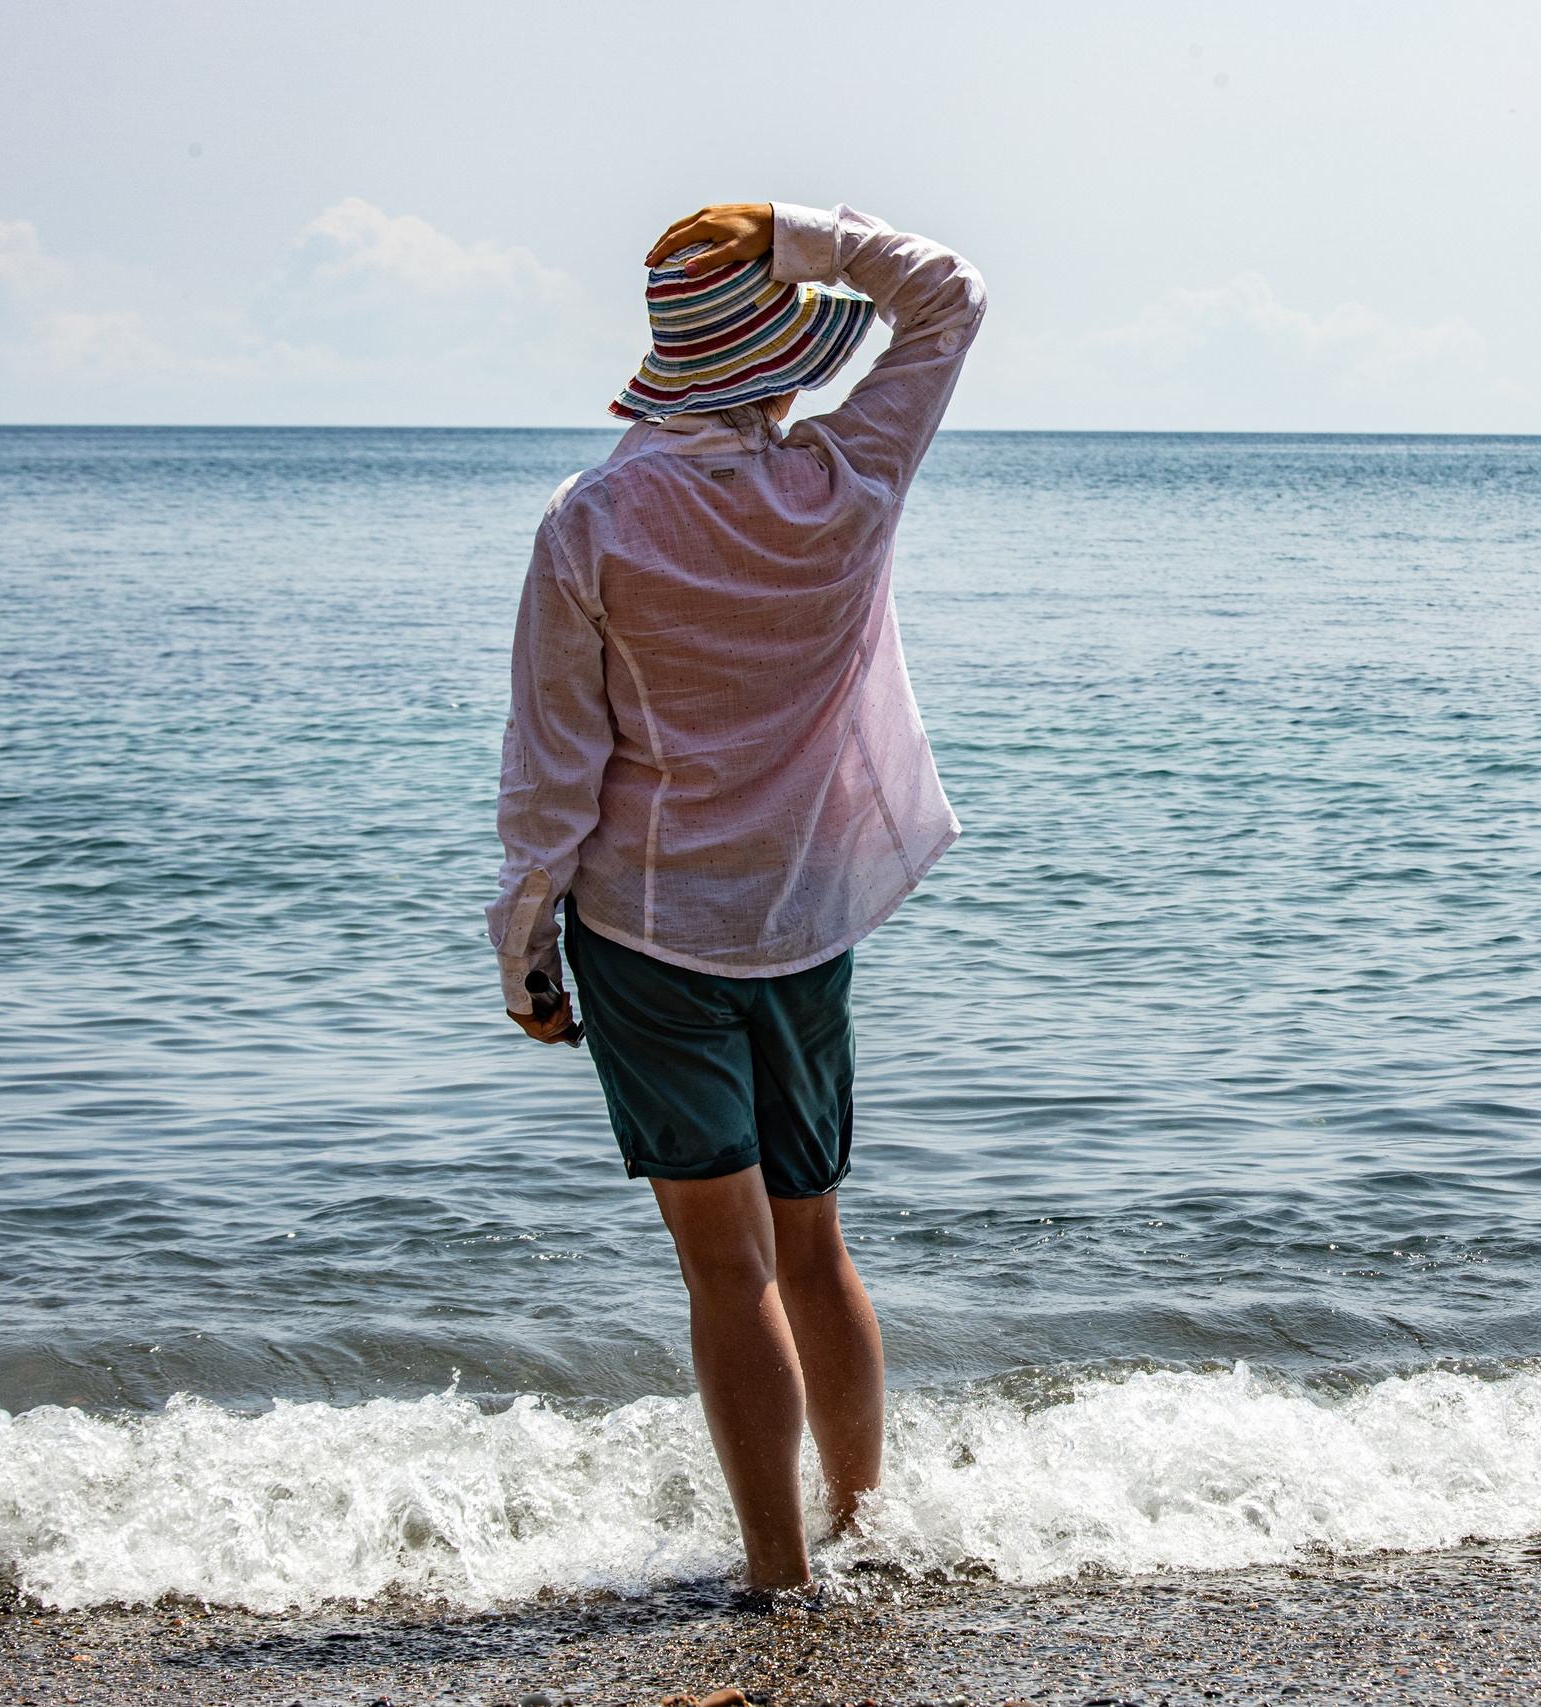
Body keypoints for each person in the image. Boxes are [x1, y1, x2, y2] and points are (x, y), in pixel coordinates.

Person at [487, 200, 983, 1592]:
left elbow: (554, 768)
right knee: (816, 1248)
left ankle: (778, 1578)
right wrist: (799, 230)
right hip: (804, 920)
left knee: (729, 1269)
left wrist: (527, 950)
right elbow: (947, 295)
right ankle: (865, 1529)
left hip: (648, 930)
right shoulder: (851, 481)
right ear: (782, 359)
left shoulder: (590, 521)